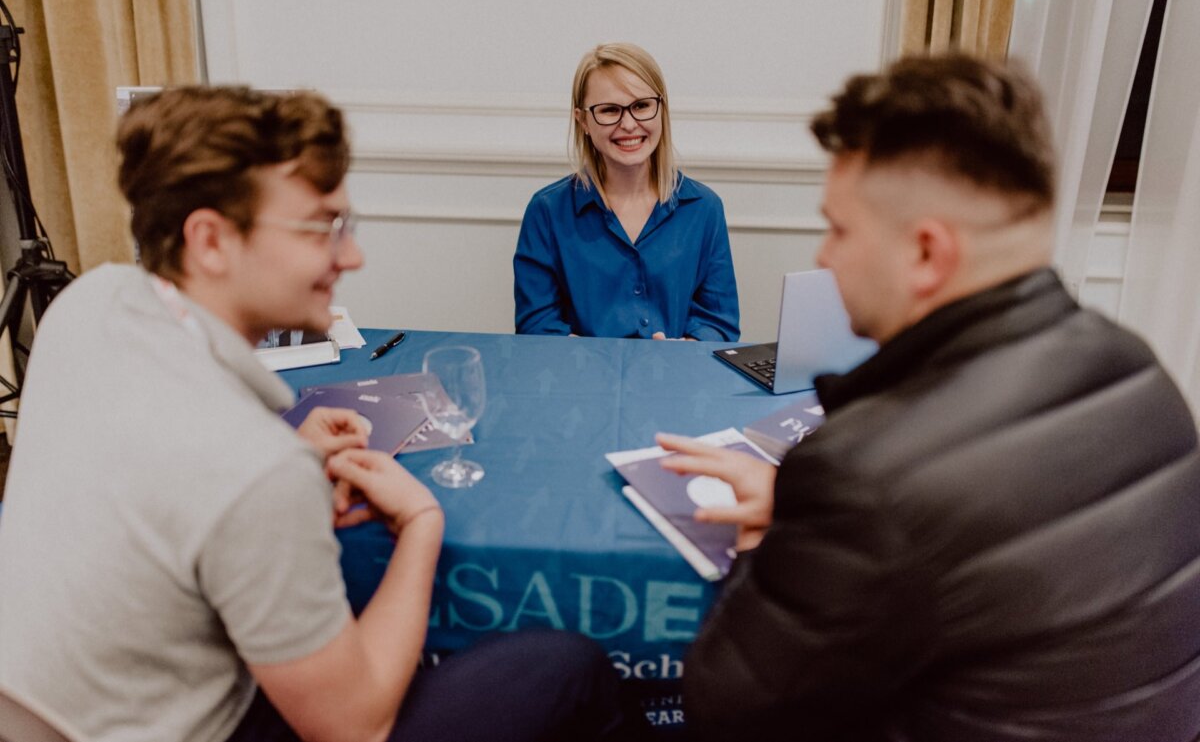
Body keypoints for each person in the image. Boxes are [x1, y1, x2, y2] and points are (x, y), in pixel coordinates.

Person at [0, 87, 640, 742]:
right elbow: (354, 726)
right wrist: (421, 522)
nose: (352, 256)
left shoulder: (86, 303)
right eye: (321, 227)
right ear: (211, 240)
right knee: (571, 666)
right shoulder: (254, 468)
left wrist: (293, 456)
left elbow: (151, 464)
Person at [658, 54, 1200, 741]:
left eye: (840, 228)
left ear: (926, 254)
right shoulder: (1143, 373)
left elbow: (723, 705)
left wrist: (772, 529)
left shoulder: (866, 474)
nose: (825, 256)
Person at [513, 42, 739, 341]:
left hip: (677, 382)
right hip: (580, 382)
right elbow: (536, 325)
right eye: (609, 110)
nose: (629, 124)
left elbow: (719, 322)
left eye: (642, 106)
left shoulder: (704, 208)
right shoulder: (546, 211)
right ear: (583, 121)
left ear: (661, 108)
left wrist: (685, 349)